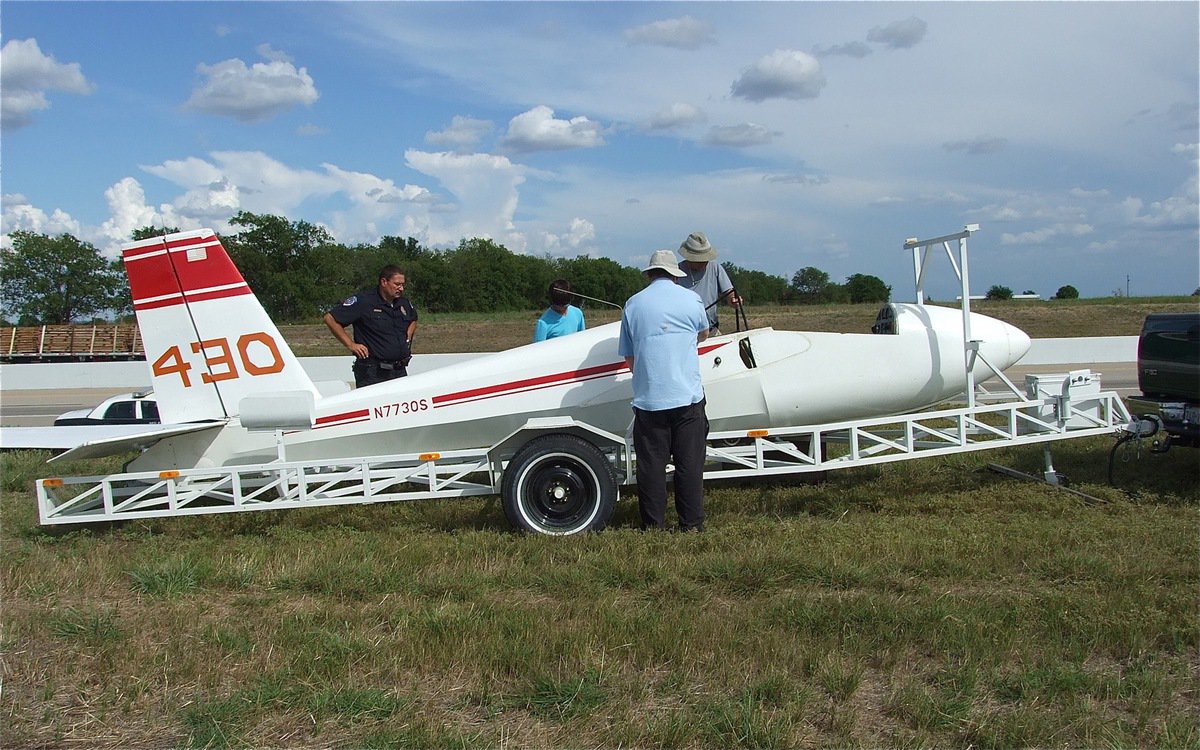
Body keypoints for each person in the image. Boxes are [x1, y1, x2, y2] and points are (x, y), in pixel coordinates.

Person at [618, 249, 711, 532]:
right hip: (687, 396)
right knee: (689, 465)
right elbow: (703, 333)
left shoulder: (633, 304)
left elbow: (629, 356)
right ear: (675, 275)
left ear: (649, 274)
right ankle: (691, 523)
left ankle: (653, 525)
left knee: (651, 467)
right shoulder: (692, 299)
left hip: (649, 400)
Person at [323, 265, 418, 388]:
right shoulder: (364, 301)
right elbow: (330, 319)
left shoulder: (403, 303)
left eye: (402, 285)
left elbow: (413, 319)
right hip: (373, 372)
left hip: (399, 370)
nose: (401, 288)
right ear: (384, 282)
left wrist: (408, 337)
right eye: (397, 284)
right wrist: (350, 344)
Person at [677, 231, 742, 335]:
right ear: (689, 257)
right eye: (700, 259)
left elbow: (729, 293)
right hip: (684, 333)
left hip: (712, 330)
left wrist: (734, 300)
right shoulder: (676, 272)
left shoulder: (715, 268)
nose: (704, 262)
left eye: (706, 258)